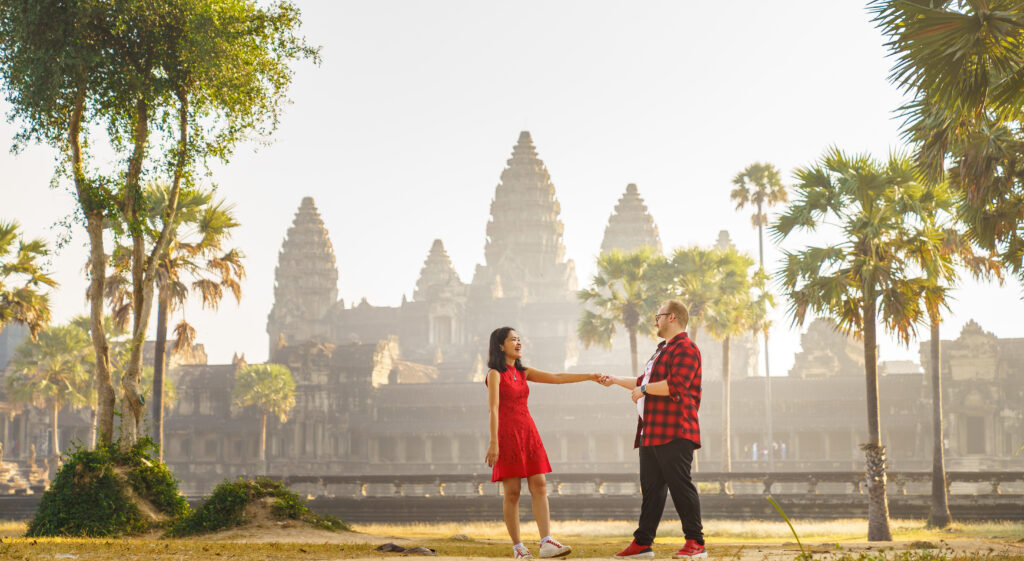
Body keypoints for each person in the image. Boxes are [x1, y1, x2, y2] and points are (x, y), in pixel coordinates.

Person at [598, 300, 707, 559]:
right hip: (651, 430)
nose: (654, 321)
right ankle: (643, 542)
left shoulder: (687, 348)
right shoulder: (661, 350)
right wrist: (614, 381)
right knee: (651, 489)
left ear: (671, 317)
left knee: (680, 485)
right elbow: (642, 382)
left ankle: (696, 541)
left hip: (675, 429)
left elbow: (676, 385)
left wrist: (644, 390)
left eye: (657, 316)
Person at [485, 326, 602, 559]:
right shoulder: (495, 374)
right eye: (513, 340)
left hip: (528, 431)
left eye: (520, 339)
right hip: (506, 435)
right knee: (512, 493)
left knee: (539, 484)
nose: (518, 343)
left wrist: (589, 376)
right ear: (500, 345)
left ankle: (546, 541)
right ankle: (518, 547)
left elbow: (557, 378)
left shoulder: (524, 372)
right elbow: (494, 409)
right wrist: (494, 443)